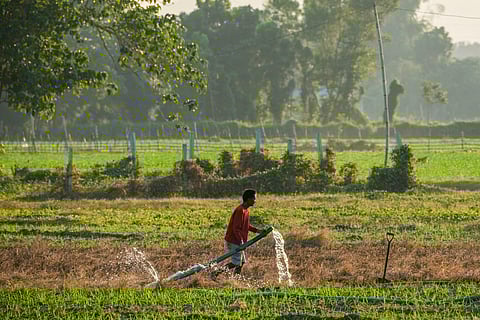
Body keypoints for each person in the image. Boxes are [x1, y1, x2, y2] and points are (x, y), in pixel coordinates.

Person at [211, 189, 263, 279]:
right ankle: (216, 273)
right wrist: (241, 242)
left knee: (241, 262)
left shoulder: (246, 211)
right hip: (233, 240)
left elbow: (246, 225)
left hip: (238, 240)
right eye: (254, 199)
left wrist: (258, 231)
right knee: (236, 263)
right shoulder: (240, 210)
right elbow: (236, 228)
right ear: (248, 199)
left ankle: (236, 279)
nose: (255, 201)